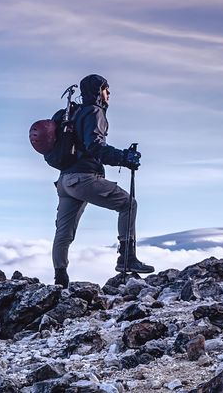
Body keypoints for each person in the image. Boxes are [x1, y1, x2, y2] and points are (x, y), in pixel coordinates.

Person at [51, 74, 154, 288]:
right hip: (84, 179)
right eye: (107, 89)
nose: (109, 94)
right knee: (128, 204)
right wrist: (124, 158)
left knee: (64, 232)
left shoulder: (73, 114)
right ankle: (126, 259)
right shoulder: (94, 112)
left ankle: (60, 279)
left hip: (65, 182)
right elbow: (95, 146)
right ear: (99, 91)